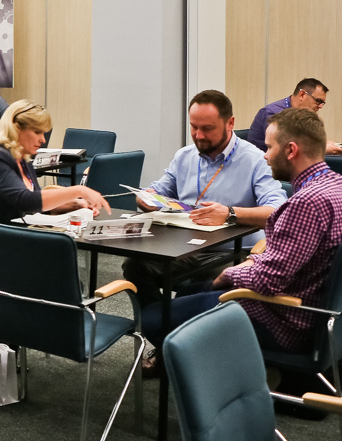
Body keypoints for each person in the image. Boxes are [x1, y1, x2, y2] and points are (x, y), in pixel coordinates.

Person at [140, 108, 342, 356]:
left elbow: (268, 281)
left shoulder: (306, 202)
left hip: (287, 321)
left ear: (291, 150)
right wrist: (252, 262)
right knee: (190, 292)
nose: (265, 155)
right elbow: (290, 258)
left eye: (270, 147)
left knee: (153, 318)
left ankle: (218, 370)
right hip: (329, 317)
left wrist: (229, 274)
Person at [123, 89, 287, 308]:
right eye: (194, 127)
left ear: (230, 123)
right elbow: (156, 191)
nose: (199, 135)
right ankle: (161, 323)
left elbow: (278, 212)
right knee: (136, 266)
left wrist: (230, 213)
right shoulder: (184, 156)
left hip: (231, 252)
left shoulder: (256, 160)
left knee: (210, 283)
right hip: (185, 248)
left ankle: (176, 322)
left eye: (208, 128)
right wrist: (146, 199)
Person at [0, 100, 110, 224]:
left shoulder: (23, 160)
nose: (43, 140)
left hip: (16, 233)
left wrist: (77, 204)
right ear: (16, 129)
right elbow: (26, 201)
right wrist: (79, 190)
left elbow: (38, 204)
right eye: (37, 132)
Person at [245, 77, 342, 154]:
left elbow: (308, 140)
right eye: (318, 101)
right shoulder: (273, 113)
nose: (320, 106)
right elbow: (285, 148)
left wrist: (336, 146)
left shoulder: (302, 115)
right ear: (302, 95)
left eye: (322, 103)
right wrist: (320, 149)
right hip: (266, 168)